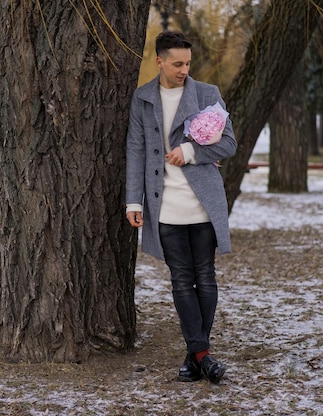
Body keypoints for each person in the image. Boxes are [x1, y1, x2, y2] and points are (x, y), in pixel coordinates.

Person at [125, 31, 237, 384]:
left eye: (188, 63)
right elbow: (136, 151)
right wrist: (133, 199)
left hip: (202, 204)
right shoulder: (143, 98)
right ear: (159, 61)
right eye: (177, 63)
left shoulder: (207, 94)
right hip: (164, 206)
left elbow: (229, 143)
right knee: (181, 279)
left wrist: (190, 152)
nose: (184, 69)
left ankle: (196, 356)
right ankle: (203, 355)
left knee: (204, 276)